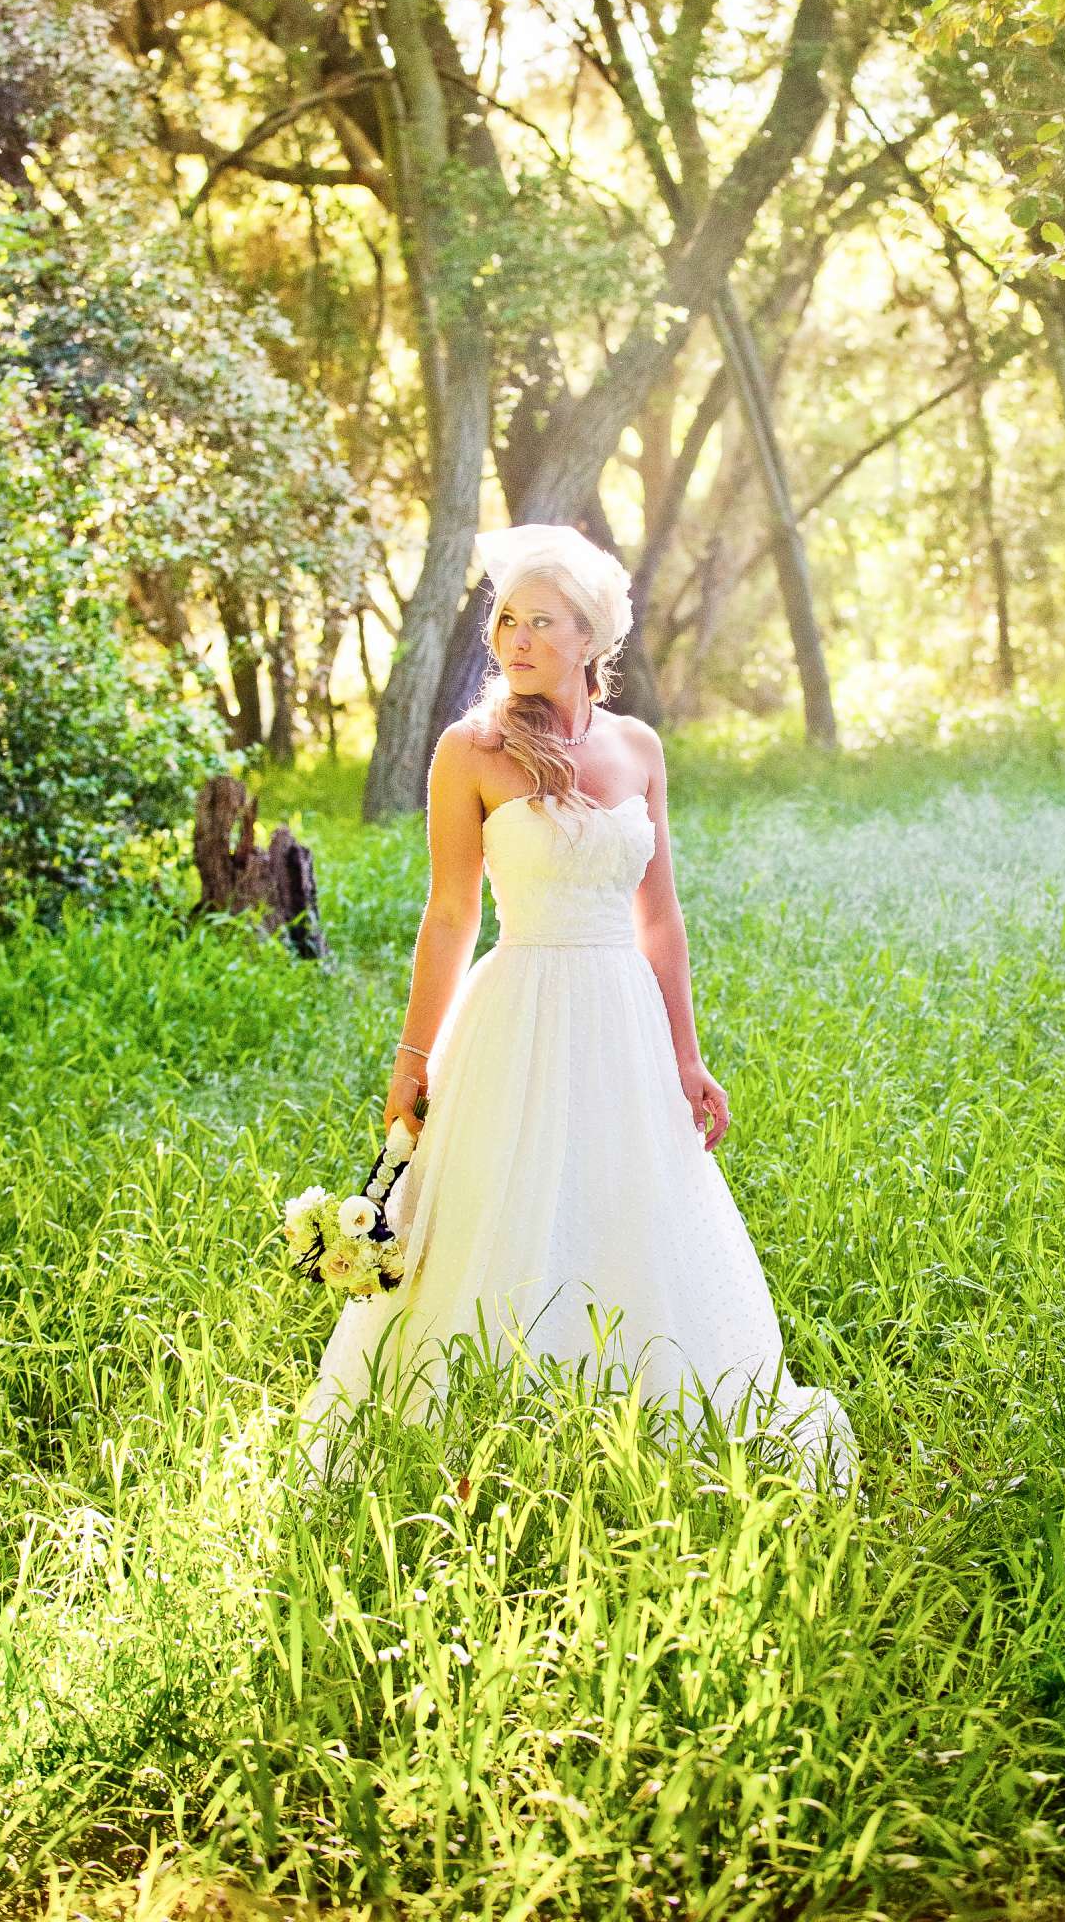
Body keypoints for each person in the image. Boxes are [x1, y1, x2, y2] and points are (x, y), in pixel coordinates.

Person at [296, 521, 858, 1493]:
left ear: (591, 635)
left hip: (623, 1023)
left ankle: (632, 1425)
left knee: (628, 1210)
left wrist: (687, 1057)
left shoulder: (639, 749)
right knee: (503, 1215)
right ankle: (482, 1434)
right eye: (505, 620)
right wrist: (412, 1058)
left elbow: (663, 919)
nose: (514, 639)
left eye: (539, 622)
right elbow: (450, 914)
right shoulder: (469, 751)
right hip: (516, 1010)